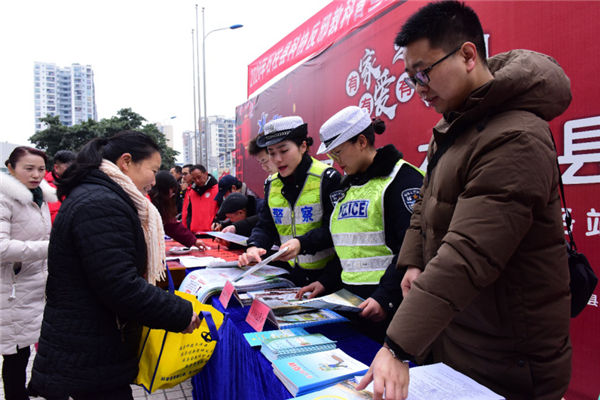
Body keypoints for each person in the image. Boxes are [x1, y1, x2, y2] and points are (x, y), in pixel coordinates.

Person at [356, 2, 572, 399]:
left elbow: (469, 253)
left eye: (424, 72)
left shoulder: (516, 136)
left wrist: (397, 345)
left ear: (468, 55)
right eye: (411, 78)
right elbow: (426, 200)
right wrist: (413, 260)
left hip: (508, 357)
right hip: (462, 336)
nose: (420, 87)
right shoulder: (454, 125)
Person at [29, 131, 201, 400]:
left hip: (92, 347)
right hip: (90, 350)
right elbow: (120, 284)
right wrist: (179, 313)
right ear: (126, 161)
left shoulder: (100, 195)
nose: (154, 181)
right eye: (153, 170)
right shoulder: (101, 203)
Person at [297, 106, 424, 343]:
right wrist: (325, 282)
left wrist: (386, 296)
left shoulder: (402, 180)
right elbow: (349, 248)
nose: (335, 162)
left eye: (338, 153)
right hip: (352, 305)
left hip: (389, 309)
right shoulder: (348, 187)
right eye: (331, 156)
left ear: (362, 141)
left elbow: (414, 247)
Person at [238, 116, 342, 286]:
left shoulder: (327, 178)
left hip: (328, 277)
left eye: (284, 151)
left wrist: (302, 243)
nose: (277, 159)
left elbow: (335, 230)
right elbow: (266, 225)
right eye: (271, 153)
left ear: (303, 146)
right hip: (293, 274)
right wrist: (254, 246)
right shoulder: (272, 184)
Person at [1, 147, 56, 400]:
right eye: (29, 168)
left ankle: (34, 389)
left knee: (33, 348)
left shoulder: (39, 197)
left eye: (41, 169)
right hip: (11, 290)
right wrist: (51, 248)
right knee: (16, 355)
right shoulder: (4, 197)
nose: (36, 175)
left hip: (35, 286)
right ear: (10, 168)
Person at [149, 170, 208, 250]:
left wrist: (193, 241)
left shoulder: (159, 204)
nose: (171, 195)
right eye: (171, 191)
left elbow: (171, 224)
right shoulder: (146, 203)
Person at [181, 164, 219, 232]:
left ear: (206, 174)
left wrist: (217, 223)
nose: (197, 180)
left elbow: (223, 211)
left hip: (212, 233)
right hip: (195, 234)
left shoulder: (217, 189)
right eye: (194, 178)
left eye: (199, 177)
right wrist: (190, 227)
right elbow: (189, 212)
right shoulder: (192, 191)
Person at [43, 149, 76, 223]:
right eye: (69, 167)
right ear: (57, 168)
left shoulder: (72, 183)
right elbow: (55, 218)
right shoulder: (48, 188)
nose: (74, 170)